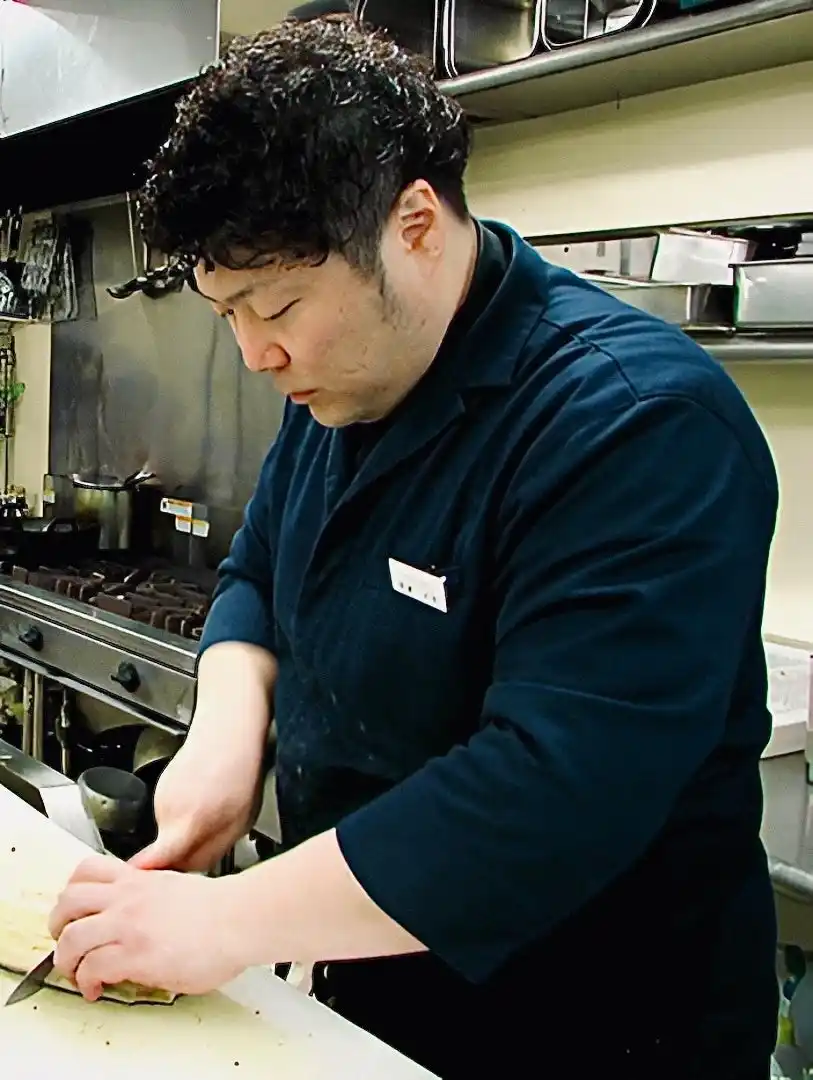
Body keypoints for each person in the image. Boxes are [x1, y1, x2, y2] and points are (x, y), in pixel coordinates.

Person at [49, 15, 780, 1079]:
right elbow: (260, 572)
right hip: (379, 988)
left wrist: (224, 921)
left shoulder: (637, 424)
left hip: (598, 1029)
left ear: (417, 226)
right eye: (227, 314)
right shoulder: (343, 386)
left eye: (277, 304)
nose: (257, 354)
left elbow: (547, 796)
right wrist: (225, 737)